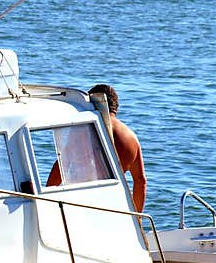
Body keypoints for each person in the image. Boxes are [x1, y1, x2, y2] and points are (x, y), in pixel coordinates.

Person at [47, 84, 145, 212]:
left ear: (94, 103)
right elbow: (140, 182)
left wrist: (45, 205)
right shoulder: (131, 137)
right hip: (117, 206)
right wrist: (137, 219)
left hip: (86, 205)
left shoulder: (85, 130)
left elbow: (58, 172)